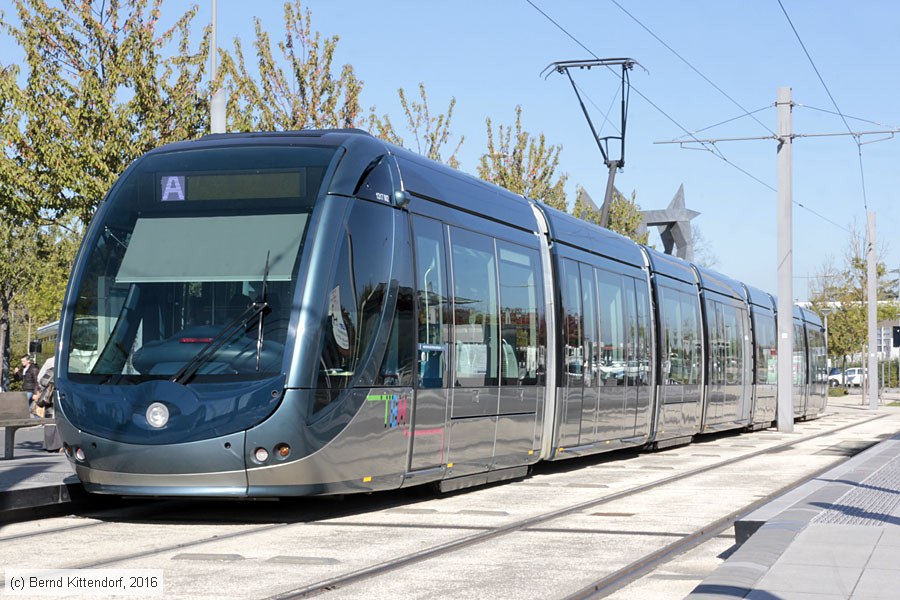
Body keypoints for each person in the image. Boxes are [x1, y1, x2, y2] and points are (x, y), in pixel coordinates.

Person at [34, 356, 62, 452]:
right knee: (62, 419)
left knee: (50, 418)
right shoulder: (73, 360)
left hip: (50, 396)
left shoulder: (50, 361)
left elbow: (40, 379)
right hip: (65, 395)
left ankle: (49, 444)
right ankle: (60, 444)